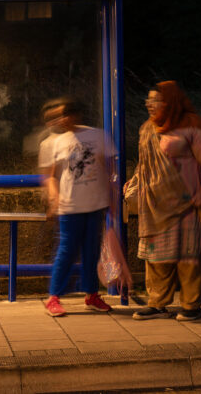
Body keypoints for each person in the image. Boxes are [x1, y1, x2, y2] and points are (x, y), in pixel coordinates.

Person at [124, 81, 201, 322]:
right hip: (155, 205)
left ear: (171, 102)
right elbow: (145, 163)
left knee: (188, 257)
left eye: (156, 100)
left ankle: (191, 305)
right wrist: (134, 183)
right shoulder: (147, 128)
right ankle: (157, 303)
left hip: (186, 204)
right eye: (148, 100)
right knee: (156, 258)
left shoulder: (192, 126)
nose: (150, 105)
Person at [39, 97, 115, 317]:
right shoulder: (54, 142)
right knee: (67, 250)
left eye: (66, 114)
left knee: (92, 250)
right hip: (70, 205)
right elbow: (49, 176)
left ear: (76, 115)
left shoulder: (98, 136)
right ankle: (54, 296)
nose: (62, 119)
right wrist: (54, 198)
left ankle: (92, 294)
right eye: (60, 116)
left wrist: (113, 198)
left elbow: (110, 169)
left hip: (95, 203)